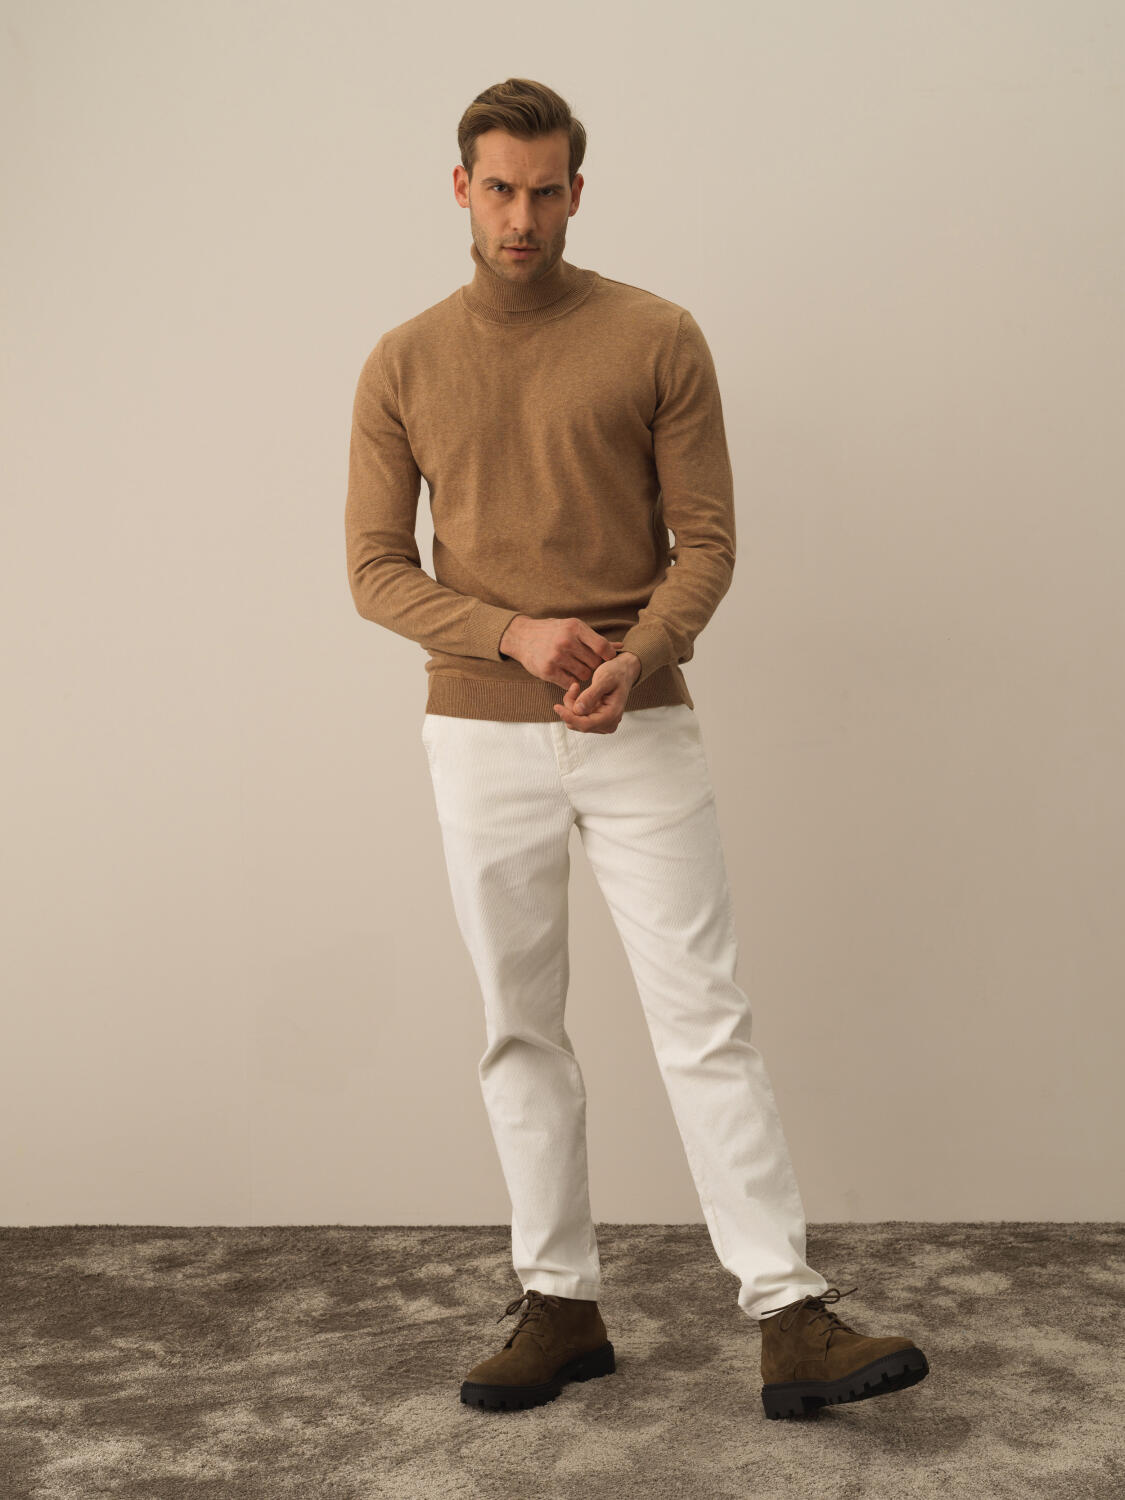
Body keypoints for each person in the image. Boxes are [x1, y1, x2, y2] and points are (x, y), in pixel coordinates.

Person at [344, 76, 929, 1421]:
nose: (522, 217)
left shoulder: (655, 336)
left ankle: (789, 1315)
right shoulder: (403, 362)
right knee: (518, 1026)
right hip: (478, 731)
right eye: (499, 189)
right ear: (460, 189)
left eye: (545, 191)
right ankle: (558, 1305)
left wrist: (637, 650)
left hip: (640, 720)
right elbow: (375, 569)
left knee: (704, 1017)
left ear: (577, 193)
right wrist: (510, 632)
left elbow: (705, 542)